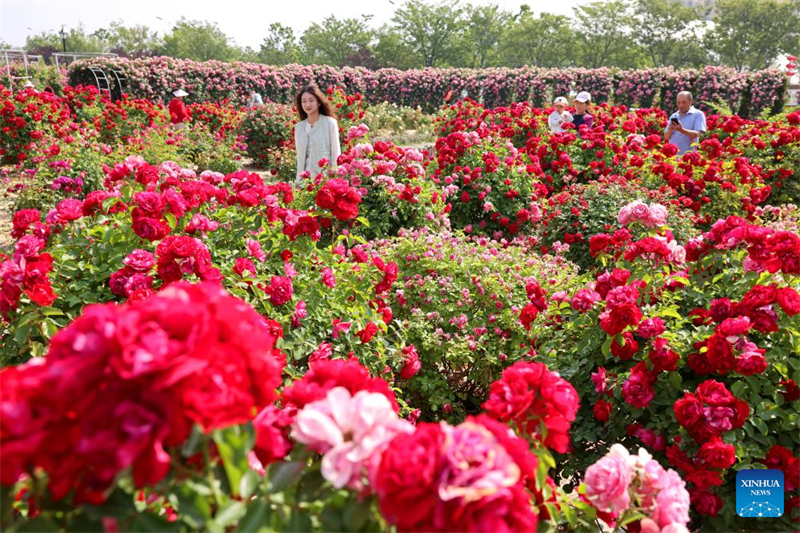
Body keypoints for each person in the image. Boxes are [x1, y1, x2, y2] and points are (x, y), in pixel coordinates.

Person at [294, 85, 341, 184]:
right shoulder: (299, 127)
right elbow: (300, 158)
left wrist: (334, 176)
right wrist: (298, 181)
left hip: (324, 179)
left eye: (311, 100)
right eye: (304, 101)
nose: (307, 104)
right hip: (304, 182)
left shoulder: (330, 123)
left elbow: (335, 152)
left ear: (319, 102)